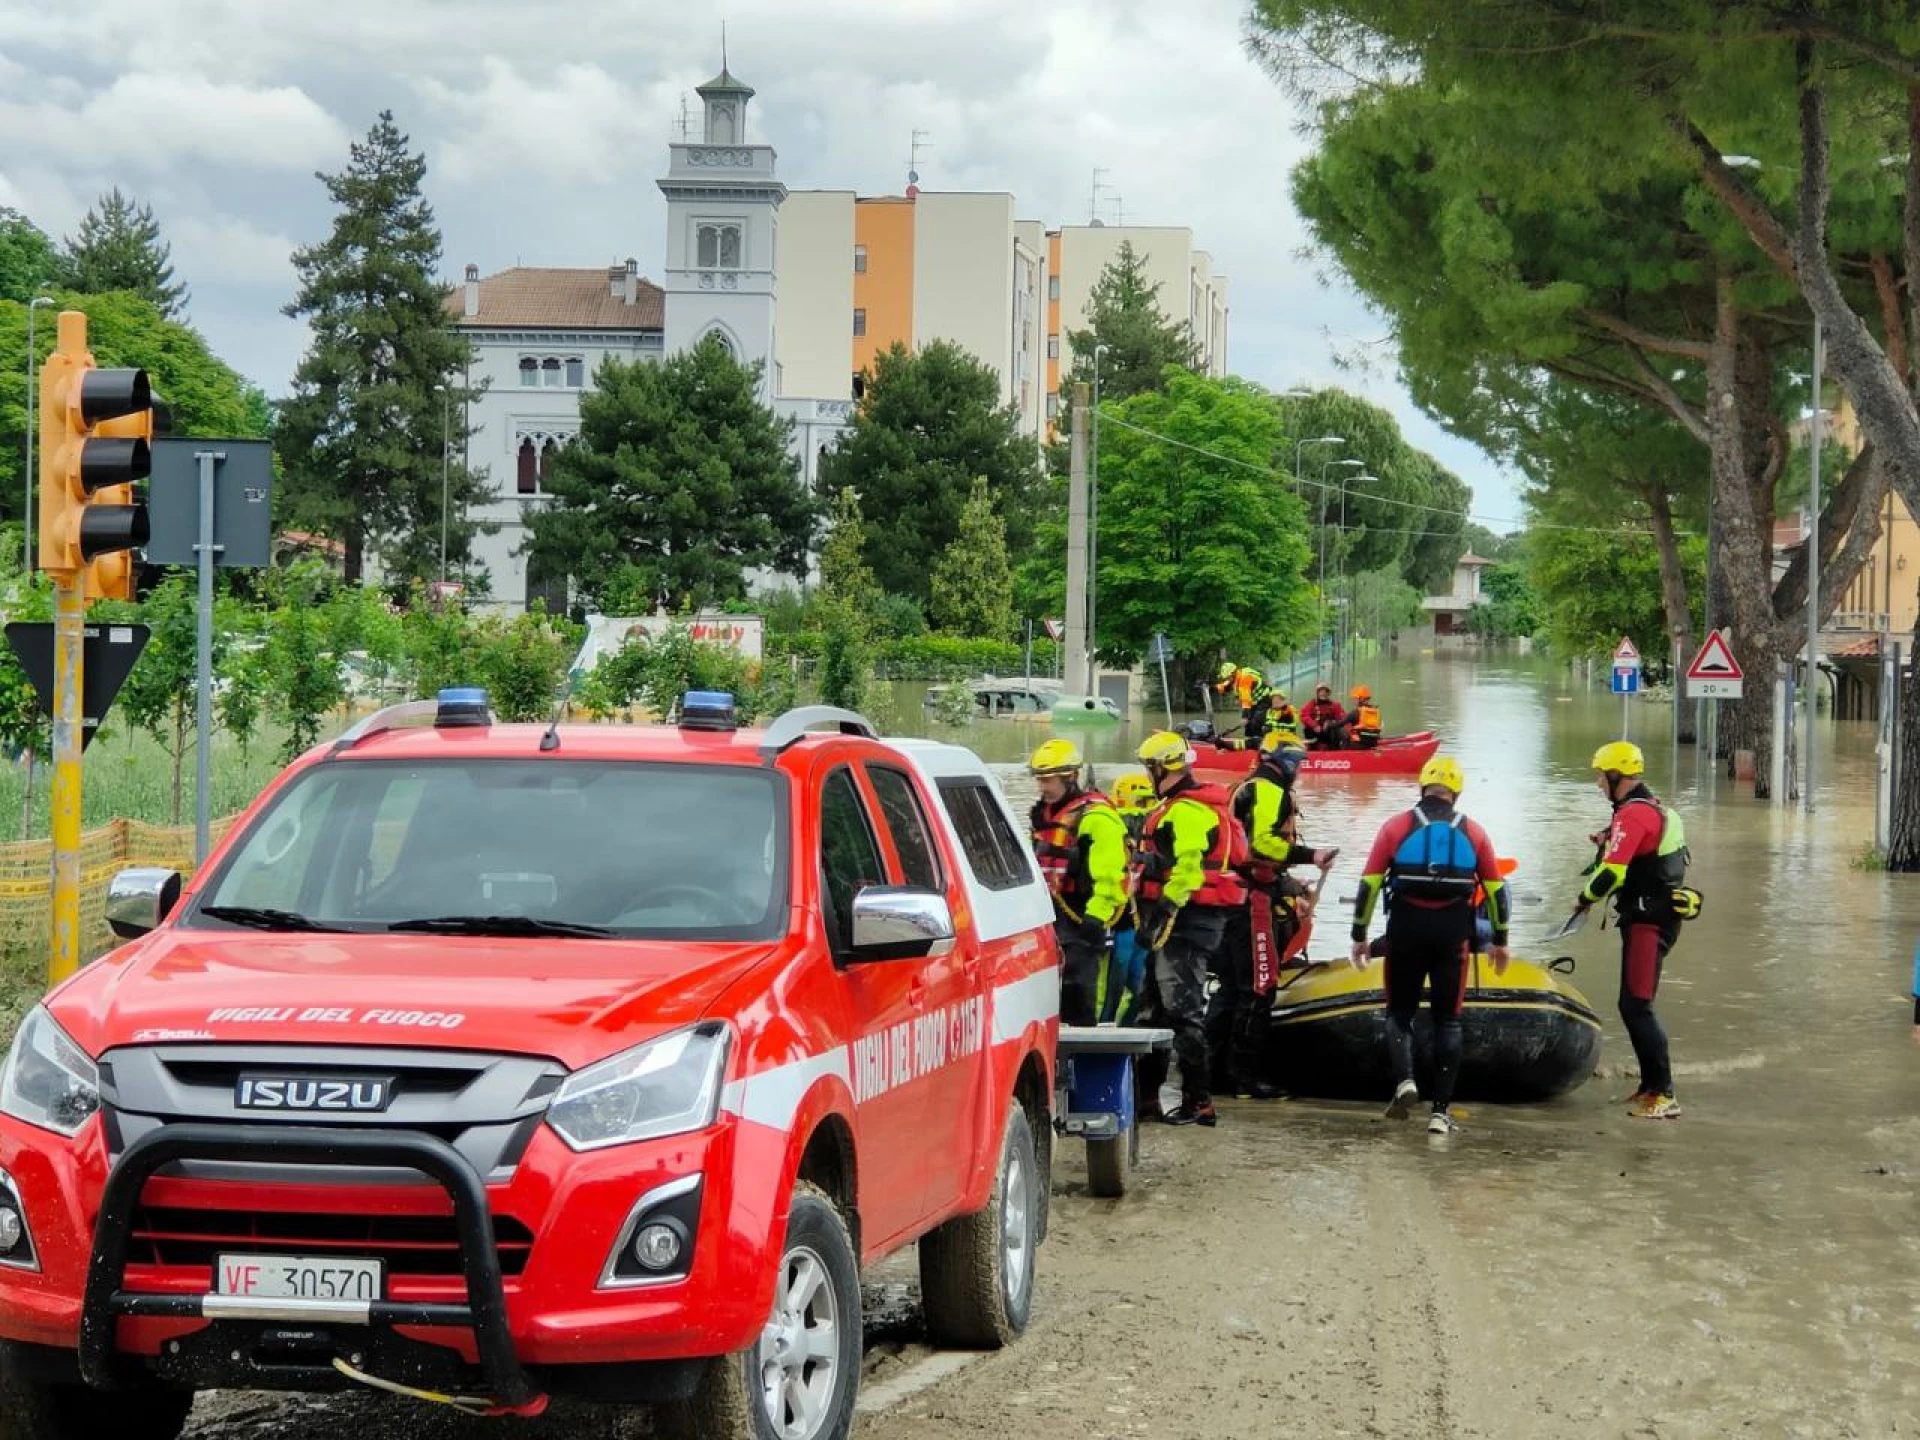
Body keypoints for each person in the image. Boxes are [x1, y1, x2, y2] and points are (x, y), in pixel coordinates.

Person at [1349, 755, 1510, 1136]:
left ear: (1422, 787)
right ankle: (1440, 1112)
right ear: (1456, 793)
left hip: (1405, 932)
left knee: (1399, 1014)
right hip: (1452, 937)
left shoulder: (1396, 827)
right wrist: (1500, 941)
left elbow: (1369, 884)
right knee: (1448, 1020)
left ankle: (1405, 1081)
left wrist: (1359, 935)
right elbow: (1496, 892)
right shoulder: (1475, 832)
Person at [1132, 730, 1249, 1126]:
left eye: (1150, 769)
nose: (1148, 776)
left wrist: (1165, 907)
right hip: (1178, 922)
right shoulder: (1184, 807)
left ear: (1162, 769)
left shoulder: (1186, 812)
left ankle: (1199, 1100)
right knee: (1153, 1011)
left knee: (1182, 1013)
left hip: (1185, 923)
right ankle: (1146, 1097)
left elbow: (1188, 868)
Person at [1210, 733, 1336, 1098]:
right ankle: (1245, 1079)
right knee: (1258, 988)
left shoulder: (1246, 785)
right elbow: (1261, 843)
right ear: (1289, 762)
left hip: (1236, 896)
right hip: (1253, 903)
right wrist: (1310, 855)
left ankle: (1213, 1073)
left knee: (1232, 987)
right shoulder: (1269, 789)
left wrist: (1291, 882)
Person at [1575, 741, 1689, 1120]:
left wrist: (1584, 898)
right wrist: (1609, 836)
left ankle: (1663, 1094)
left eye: (1599, 776)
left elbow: (1613, 873)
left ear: (1614, 776)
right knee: (1633, 1003)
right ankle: (1648, 1088)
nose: (1596, 783)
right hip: (1655, 916)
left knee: (1637, 1005)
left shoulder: (1633, 815)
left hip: (1648, 920)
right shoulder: (1649, 807)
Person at [1027, 739, 1129, 1028]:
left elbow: (1109, 874)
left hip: (1083, 914)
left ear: (1071, 776)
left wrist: (1095, 918)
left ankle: (1082, 1050)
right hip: (1051, 913)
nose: (1042, 787)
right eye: (1040, 779)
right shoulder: (1044, 815)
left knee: (1080, 991)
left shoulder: (1096, 817)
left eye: (1048, 780)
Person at [1099, 773, 1158, 1024]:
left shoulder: (1153, 834)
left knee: (1137, 985)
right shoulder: (1111, 831)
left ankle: (1126, 1033)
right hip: (1116, 920)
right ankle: (1103, 1030)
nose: (1145, 809)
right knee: (1112, 986)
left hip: (1141, 921)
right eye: (1142, 802)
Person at [1215, 661, 1272, 738]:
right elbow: (1225, 686)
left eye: (1228, 677)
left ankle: (1261, 742)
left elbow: (1246, 701)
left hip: (1265, 699)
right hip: (1254, 702)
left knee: (1255, 723)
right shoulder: (1235, 678)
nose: (1227, 679)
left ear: (1233, 674)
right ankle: (1249, 742)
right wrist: (1210, 688)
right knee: (1248, 727)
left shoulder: (1244, 678)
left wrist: (1244, 717)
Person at [1301, 682, 1347, 750]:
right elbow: (1304, 715)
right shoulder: (1311, 704)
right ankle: (1312, 750)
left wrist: (1330, 723)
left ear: (1328, 693)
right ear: (1317, 693)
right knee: (1307, 730)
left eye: (1325, 691)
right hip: (1314, 731)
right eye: (1320, 691)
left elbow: (1342, 719)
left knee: (1337, 730)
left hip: (1329, 733)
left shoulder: (1335, 705)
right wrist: (1314, 725)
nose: (1323, 693)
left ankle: (1335, 751)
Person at [1346, 684, 1382, 749]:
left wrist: (1330, 724)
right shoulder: (1375, 711)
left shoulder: (1355, 712)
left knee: (1344, 741)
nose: (1353, 701)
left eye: (1355, 698)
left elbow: (1340, 723)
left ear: (1361, 699)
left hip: (1358, 744)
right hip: (1373, 743)